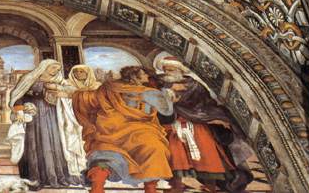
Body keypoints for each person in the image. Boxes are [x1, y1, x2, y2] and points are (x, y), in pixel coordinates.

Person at [69, 64, 174, 193]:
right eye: (145, 74)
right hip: (142, 131)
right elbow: (167, 111)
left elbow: (89, 99)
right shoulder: (149, 93)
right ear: (136, 76)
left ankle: (97, 188)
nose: (147, 76)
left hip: (110, 130)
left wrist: (77, 94)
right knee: (154, 151)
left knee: (104, 156)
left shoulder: (109, 88)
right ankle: (150, 189)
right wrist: (166, 94)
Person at [155, 58, 253, 193]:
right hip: (173, 121)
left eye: (170, 69)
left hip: (198, 120)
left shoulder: (194, 85)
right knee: (173, 150)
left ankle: (210, 186)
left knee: (206, 148)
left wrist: (208, 117)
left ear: (180, 71)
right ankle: (176, 185)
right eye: (165, 69)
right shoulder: (160, 85)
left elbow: (206, 103)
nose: (167, 72)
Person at [8, 59, 85, 188]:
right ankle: (36, 177)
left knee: (56, 142)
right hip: (35, 115)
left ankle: (58, 176)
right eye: (53, 68)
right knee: (35, 143)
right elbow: (17, 95)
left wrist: (61, 90)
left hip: (54, 114)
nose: (56, 71)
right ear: (44, 67)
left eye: (58, 68)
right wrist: (21, 109)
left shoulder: (58, 80)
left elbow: (72, 91)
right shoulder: (30, 78)